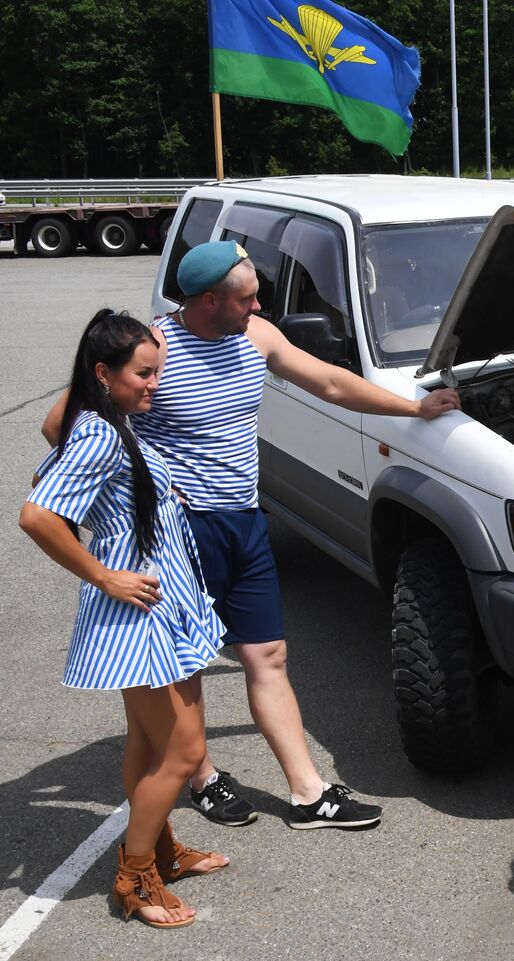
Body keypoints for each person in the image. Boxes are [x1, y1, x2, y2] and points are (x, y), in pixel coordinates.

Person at [43, 241, 461, 830]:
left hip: (244, 520)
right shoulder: (154, 347)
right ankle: (203, 778)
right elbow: (59, 424)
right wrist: (136, 483)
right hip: (182, 533)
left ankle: (308, 794)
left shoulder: (256, 337)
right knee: (186, 664)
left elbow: (332, 384)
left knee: (267, 653)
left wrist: (413, 411)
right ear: (210, 300)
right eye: (248, 297)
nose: (260, 304)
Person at [21, 310, 229, 928]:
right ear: (103, 374)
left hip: (165, 604)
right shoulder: (98, 433)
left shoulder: (108, 422)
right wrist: (103, 573)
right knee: (185, 749)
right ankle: (135, 876)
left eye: (158, 371)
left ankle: (160, 849)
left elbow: (53, 450)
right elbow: (38, 515)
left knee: (147, 740)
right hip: (136, 608)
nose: (154, 385)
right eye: (143, 373)